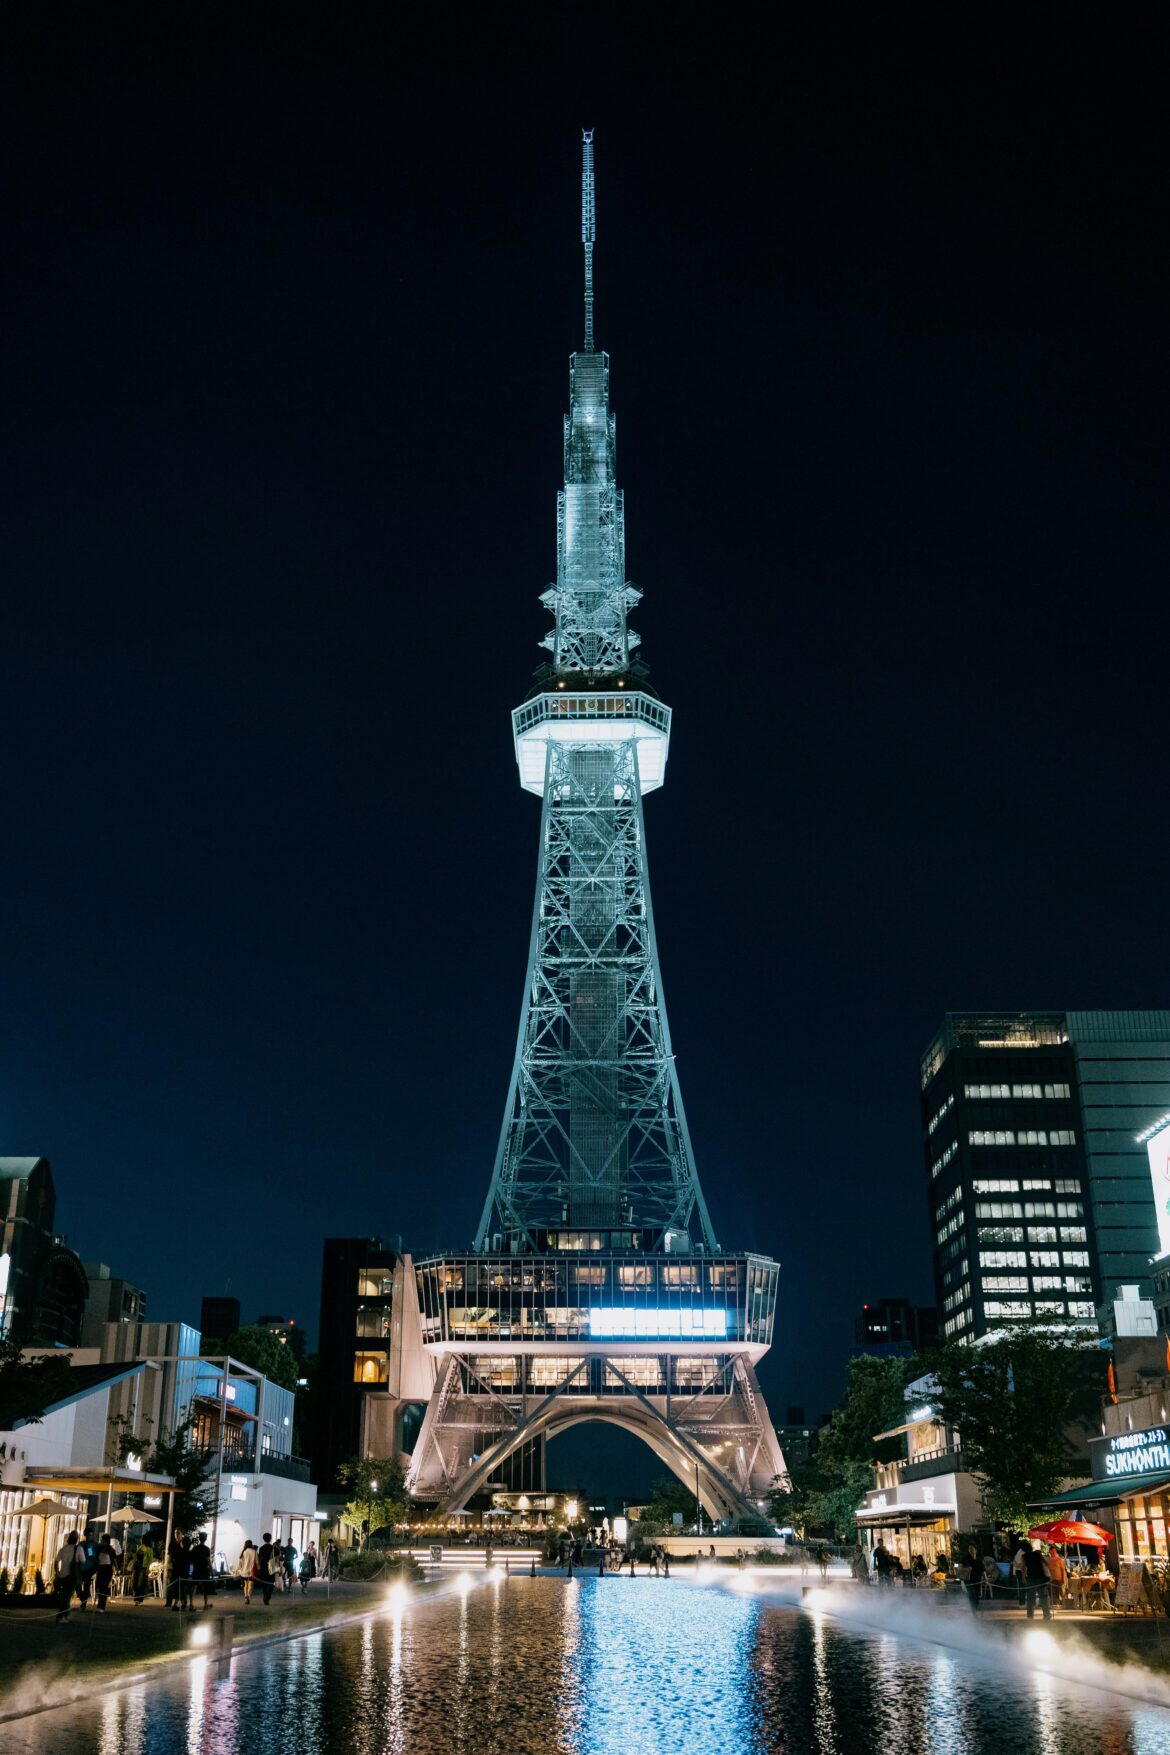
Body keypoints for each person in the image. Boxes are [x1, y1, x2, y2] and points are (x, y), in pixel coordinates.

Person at [53, 1529, 82, 1622]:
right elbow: (83, 1560)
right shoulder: (79, 1549)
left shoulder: (63, 1549)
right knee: (67, 1597)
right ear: (77, 1539)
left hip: (63, 1575)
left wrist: (57, 1572)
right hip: (72, 1576)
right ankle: (61, 1616)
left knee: (65, 1596)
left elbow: (56, 1561)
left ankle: (66, 1615)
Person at [1020, 1539, 1052, 1622]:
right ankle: (1047, 1615)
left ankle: (1030, 1616)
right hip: (1041, 1578)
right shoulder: (1038, 1554)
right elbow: (1046, 1563)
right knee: (1043, 1597)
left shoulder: (1024, 1556)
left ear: (1023, 1549)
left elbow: (1023, 1568)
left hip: (1030, 1578)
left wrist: (1023, 1578)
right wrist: (1049, 1574)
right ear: (1030, 1547)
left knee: (1030, 1598)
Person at [168, 1530, 191, 1610]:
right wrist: (169, 1566)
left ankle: (179, 1603)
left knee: (182, 1585)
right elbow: (170, 1554)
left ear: (182, 1534)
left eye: (178, 1533)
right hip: (175, 1566)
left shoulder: (186, 1541)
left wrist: (181, 1544)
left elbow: (186, 1552)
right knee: (176, 1585)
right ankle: (180, 1603)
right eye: (175, 1533)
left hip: (184, 1567)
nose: (176, 1534)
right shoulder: (172, 1543)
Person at [189, 1533, 213, 1609]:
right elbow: (208, 1560)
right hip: (204, 1569)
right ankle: (205, 1604)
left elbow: (191, 1559)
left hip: (196, 1569)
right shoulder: (207, 1549)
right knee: (205, 1587)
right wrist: (211, 1569)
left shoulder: (195, 1548)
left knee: (193, 1586)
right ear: (205, 1539)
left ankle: (191, 1603)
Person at [94, 1535, 117, 1612]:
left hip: (107, 1569)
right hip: (100, 1568)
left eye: (102, 1540)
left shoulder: (110, 1549)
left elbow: (114, 1560)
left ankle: (101, 1606)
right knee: (98, 1585)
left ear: (106, 1541)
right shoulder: (99, 1548)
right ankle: (100, 1604)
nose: (101, 1541)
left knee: (104, 1587)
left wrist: (116, 1569)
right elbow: (93, 1555)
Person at [130, 1538, 153, 1605]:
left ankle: (138, 1600)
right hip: (137, 1566)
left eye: (142, 1539)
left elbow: (150, 1560)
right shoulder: (140, 1547)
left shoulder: (149, 1549)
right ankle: (137, 1598)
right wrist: (133, 1564)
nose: (140, 1540)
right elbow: (136, 1557)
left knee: (141, 1584)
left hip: (144, 1567)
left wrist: (148, 1569)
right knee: (134, 1582)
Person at [256, 1533, 276, 1606]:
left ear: (263, 1539)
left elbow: (260, 1559)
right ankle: (268, 1596)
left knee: (264, 1583)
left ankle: (265, 1596)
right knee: (271, 1583)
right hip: (272, 1568)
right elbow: (277, 1558)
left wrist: (259, 1568)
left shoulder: (261, 1548)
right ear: (270, 1539)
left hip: (264, 1568)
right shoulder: (274, 1548)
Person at [963, 1542, 982, 1612]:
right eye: (969, 1549)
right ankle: (973, 1610)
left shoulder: (979, 1559)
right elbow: (961, 1568)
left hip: (977, 1580)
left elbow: (983, 1569)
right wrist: (967, 1569)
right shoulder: (966, 1558)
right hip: (968, 1580)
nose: (970, 1550)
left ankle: (975, 1608)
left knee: (977, 1595)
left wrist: (985, 1578)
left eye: (972, 1549)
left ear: (975, 1550)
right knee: (971, 1594)